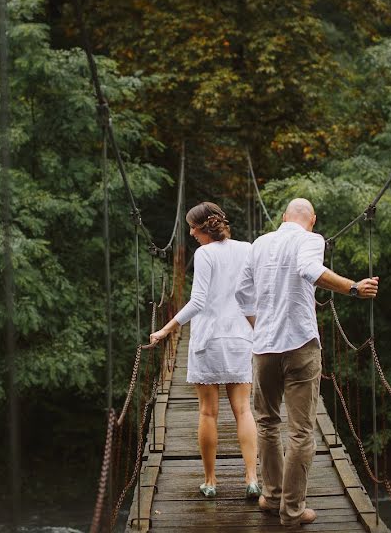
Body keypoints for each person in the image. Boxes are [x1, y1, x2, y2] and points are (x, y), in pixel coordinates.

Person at [235, 198, 378, 526]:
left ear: (284, 217)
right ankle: (292, 511)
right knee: (301, 431)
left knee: (268, 423)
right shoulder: (311, 240)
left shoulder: (259, 244)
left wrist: (261, 328)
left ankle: (271, 498)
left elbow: (242, 294)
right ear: (312, 220)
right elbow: (310, 270)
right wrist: (353, 287)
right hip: (300, 345)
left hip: (264, 349)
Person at [149, 201, 260, 499]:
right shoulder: (248, 249)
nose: (189, 232)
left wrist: (166, 328)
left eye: (191, 227)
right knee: (243, 410)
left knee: (208, 412)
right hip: (240, 338)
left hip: (209, 340)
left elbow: (197, 302)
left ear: (201, 228)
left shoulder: (205, 254)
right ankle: (251, 478)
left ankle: (211, 482)